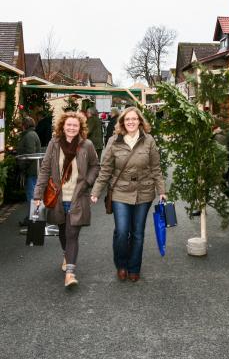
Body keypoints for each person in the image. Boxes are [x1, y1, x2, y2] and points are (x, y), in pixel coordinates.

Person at [90, 107, 166, 282]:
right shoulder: (113, 141)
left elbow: (156, 168)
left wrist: (161, 191)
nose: (131, 122)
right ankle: (121, 264)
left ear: (140, 121)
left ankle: (134, 267)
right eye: (127, 119)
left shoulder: (149, 140)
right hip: (120, 192)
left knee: (138, 232)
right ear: (122, 122)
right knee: (122, 232)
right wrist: (96, 191)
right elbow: (106, 169)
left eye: (134, 119)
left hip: (144, 191)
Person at [33, 112, 99, 288]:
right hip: (58, 197)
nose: (71, 128)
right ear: (63, 126)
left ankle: (70, 273)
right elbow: (45, 169)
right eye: (68, 125)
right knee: (62, 231)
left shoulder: (87, 145)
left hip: (78, 196)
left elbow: (95, 166)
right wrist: (38, 194)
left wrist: (88, 181)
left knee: (72, 233)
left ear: (80, 128)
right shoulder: (54, 144)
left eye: (75, 125)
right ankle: (66, 254)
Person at [17, 116, 41, 205]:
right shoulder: (32, 134)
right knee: (33, 192)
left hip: (31, 169)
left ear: (25, 125)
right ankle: (34, 214)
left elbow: (30, 154)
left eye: (22, 125)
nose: (21, 127)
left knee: (32, 193)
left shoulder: (29, 135)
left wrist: (23, 166)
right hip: (33, 168)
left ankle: (34, 215)